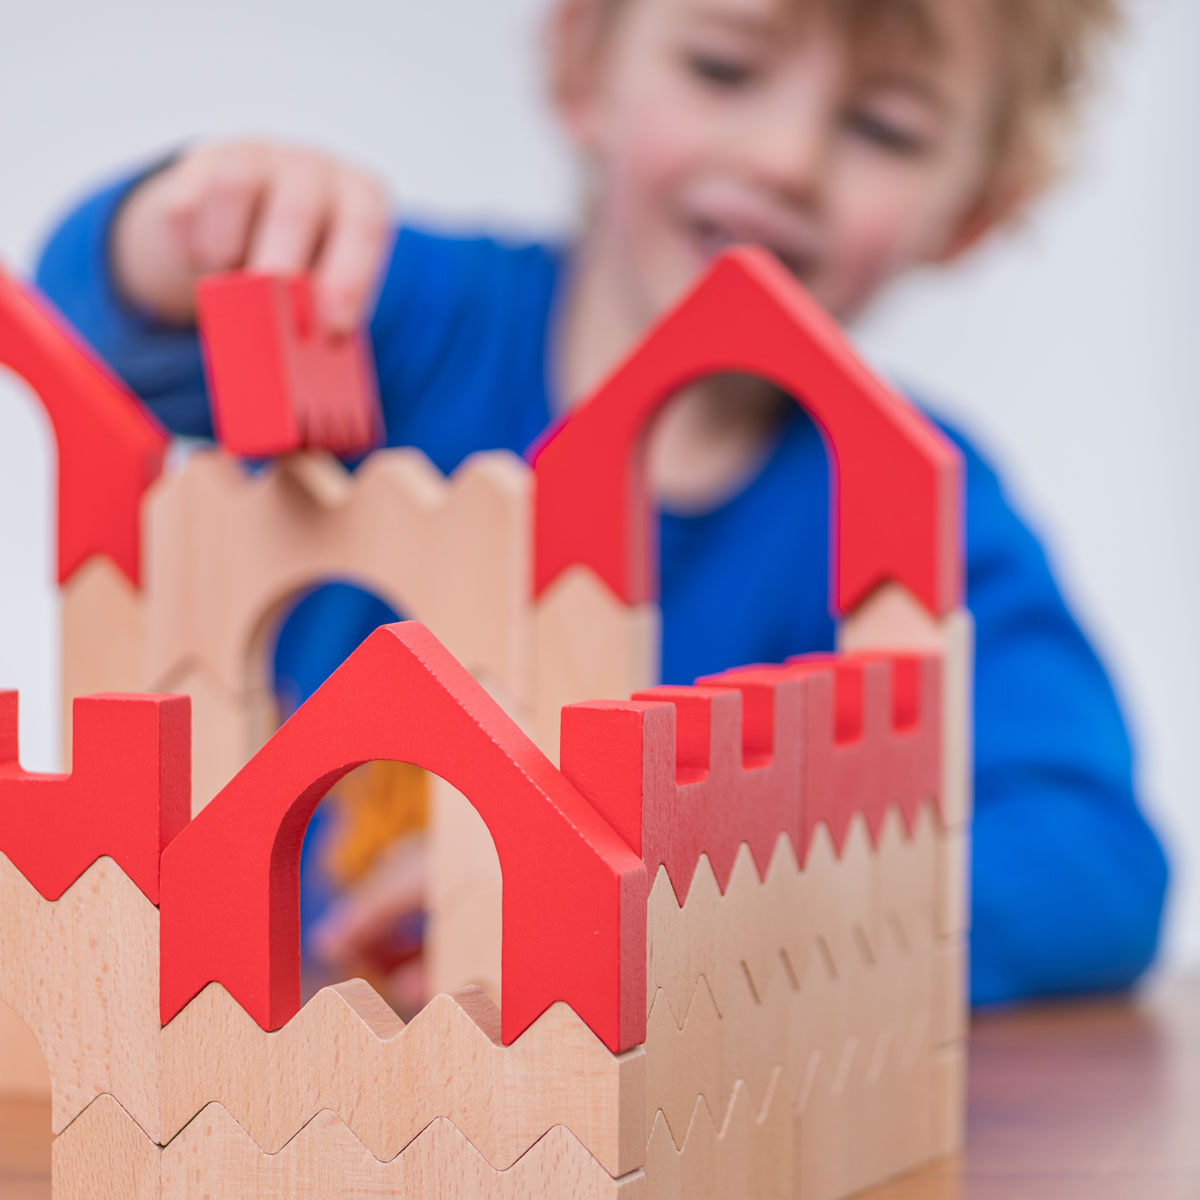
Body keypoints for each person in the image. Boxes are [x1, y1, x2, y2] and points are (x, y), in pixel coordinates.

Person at [34, 0, 1168, 1008]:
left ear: (972, 212)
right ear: (585, 63)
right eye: (725, 67)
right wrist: (191, 234)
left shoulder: (923, 501)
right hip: (296, 1063)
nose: (786, 158)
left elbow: (1095, 867)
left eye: (886, 130)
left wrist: (694, 904)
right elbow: (99, 338)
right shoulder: (415, 321)